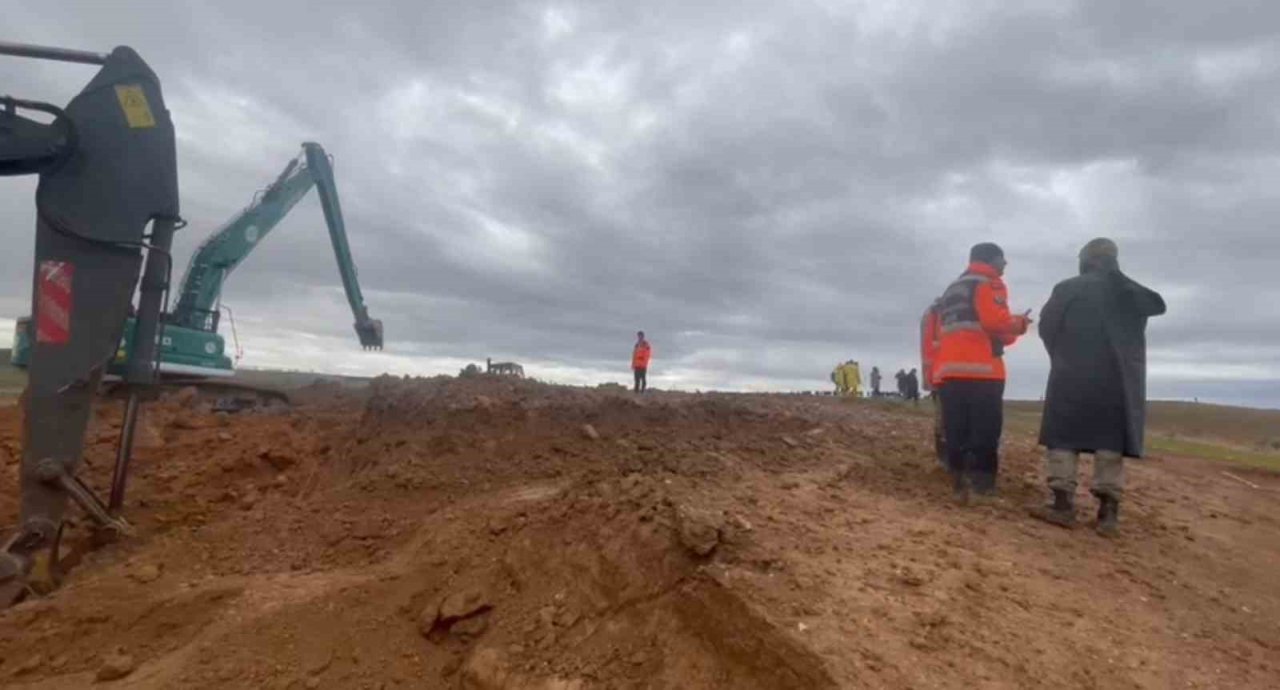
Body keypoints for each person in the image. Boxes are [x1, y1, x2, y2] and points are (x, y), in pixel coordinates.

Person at [1030, 239, 1165, 536]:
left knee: (1063, 438)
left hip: (1071, 375)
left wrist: (1061, 356)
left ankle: (1062, 505)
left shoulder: (1067, 288)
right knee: (1110, 443)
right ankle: (1108, 514)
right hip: (1117, 380)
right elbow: (1157, 305)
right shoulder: (1128, 291)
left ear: (1086, 260)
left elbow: (1047, 327)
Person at [936, 242, 1032, 503]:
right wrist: (1020, 324)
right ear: (991, 260)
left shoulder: (953, 288)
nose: (1005, 264)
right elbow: (994, 322)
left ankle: (958, 482)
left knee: (957, 428)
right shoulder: (990, 283)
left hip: (949, 370)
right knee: (985, 430)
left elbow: (961, 328)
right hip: (983, 371)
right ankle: (982, 487)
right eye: (1002, 259)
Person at [920, 299, 946, 466]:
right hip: (943, 375)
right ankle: (945, 459)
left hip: (940, 374)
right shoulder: (936, 313)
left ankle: (945, 459)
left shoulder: (932, 312)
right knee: (944, 420)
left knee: (943, 419)